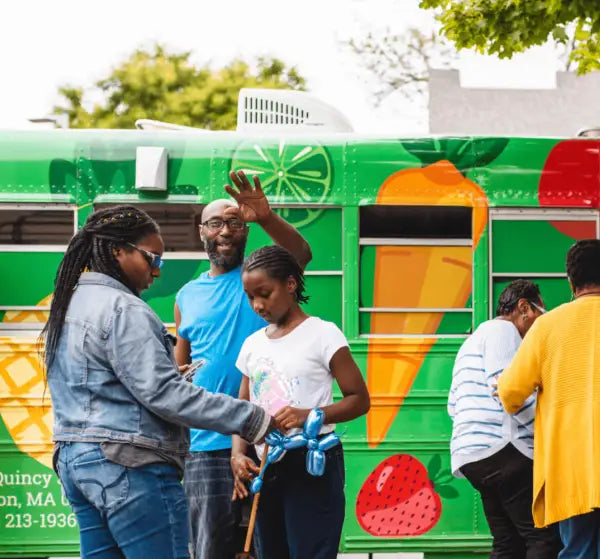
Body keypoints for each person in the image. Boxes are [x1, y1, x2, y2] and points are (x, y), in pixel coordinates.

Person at [43, 205, 273, 559]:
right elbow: (165, 394)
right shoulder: (125, 308)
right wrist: (253, 418)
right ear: (117, 251)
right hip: (130, 465)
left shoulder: (69, 304)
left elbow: (95, 384)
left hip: (76, 463)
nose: (156, 270)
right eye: (152, 258)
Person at [174, 171, 312, 559]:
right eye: (215, 222)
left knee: (272, 547)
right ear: (201, 231)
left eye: (235, 223)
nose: (225, 230)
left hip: (269, 437)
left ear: (246, 231)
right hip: (205, 444)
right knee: (209, 550)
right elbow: (177, 373)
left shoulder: (258, 280)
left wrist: (265, 216)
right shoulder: (186, 295)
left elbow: (300, 253)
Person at [231, 245, 370, 559]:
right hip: (265, 464)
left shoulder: (323, 334)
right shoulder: (252, 344)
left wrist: (310, 414)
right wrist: (238, 454)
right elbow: (243, 409)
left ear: (291, 284)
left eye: (265, 294)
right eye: (250, 296)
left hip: (311, 461)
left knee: (311, 551)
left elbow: (360, 400)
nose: (257, 305)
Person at [499, 239, 600, 557]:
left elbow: (510, 394)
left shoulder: (547, 326)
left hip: (571, 475)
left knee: (579, 549)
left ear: (571, 282)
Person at [448, 279, 561, 558]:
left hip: (472, 456)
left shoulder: (471, 342)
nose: (541, 324)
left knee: (508, 543)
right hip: (505, 450)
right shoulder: (504, 331)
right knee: (543, 538)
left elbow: (452, 406)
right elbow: (507, 391)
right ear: (524, 308)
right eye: (540, 313)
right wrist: (548, 435)